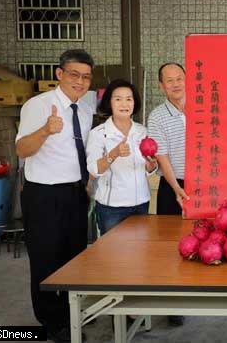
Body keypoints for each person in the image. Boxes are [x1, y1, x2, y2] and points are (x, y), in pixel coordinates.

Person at [16, 49, 95, 342]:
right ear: (60, 74)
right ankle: (51, 323)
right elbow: (21, 150)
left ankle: (68, 314)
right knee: (45, 259)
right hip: (43, 196)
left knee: (74, 258)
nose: (80, 81)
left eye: (86, 77)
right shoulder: (37, 106)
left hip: (75, 194)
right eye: (74, 74)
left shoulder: (85, 111)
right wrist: (46, 131)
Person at [86, 79, 157, 235]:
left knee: (140, 253)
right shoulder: (98, 133)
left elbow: (147, 168)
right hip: (112, 208)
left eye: (128, 99)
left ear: (134, 103)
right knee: (114, 256)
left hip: (141, 204)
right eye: (118, 99)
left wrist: (151, 166)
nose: (124, 104)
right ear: (109, 103)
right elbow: (93, 171)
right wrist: (114, 154)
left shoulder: (142, 131)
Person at [147, 62, 188, 326]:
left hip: (204, 186)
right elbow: (161, 157)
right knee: (171, 247)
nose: (175, 84)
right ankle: (174, 303)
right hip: (172, 185)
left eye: (179, 78)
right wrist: (176, 189)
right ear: (161, 86)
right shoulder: (157, 116)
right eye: (169, 81)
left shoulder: (203, 107)